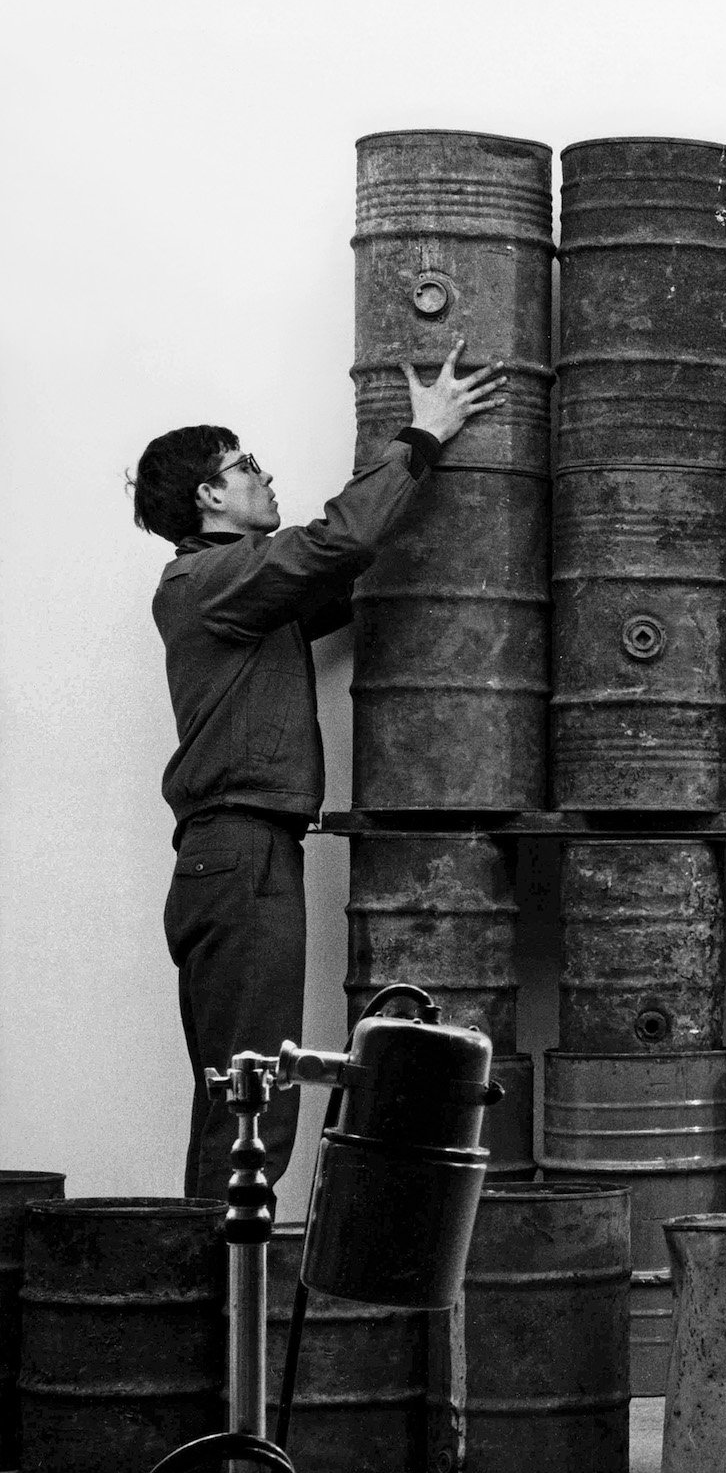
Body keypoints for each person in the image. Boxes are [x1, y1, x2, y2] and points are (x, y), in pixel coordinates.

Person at [131, 343, 501, 1198]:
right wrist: (423, 436)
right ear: (209, 496)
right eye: (245, 466)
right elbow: (336, 542)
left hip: (242, 855)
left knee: (245, 1096)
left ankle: (220, 1307)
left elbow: (342, 565)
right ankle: (219, 1312)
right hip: (239, 856)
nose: (263, 476)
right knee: (250, 1100)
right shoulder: (207, 579)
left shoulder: (242, 595)